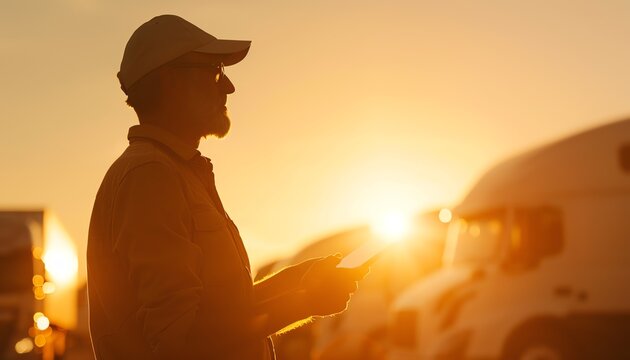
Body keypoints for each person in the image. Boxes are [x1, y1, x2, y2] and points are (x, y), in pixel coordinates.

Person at [87, 14, 368, 360]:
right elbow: (183, 338)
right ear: (171, 82)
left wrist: (298, 280)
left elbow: (217, 313)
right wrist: (305, 301)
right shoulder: (150, 175)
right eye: (215, 70)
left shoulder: (172, 172)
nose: (228, 86)